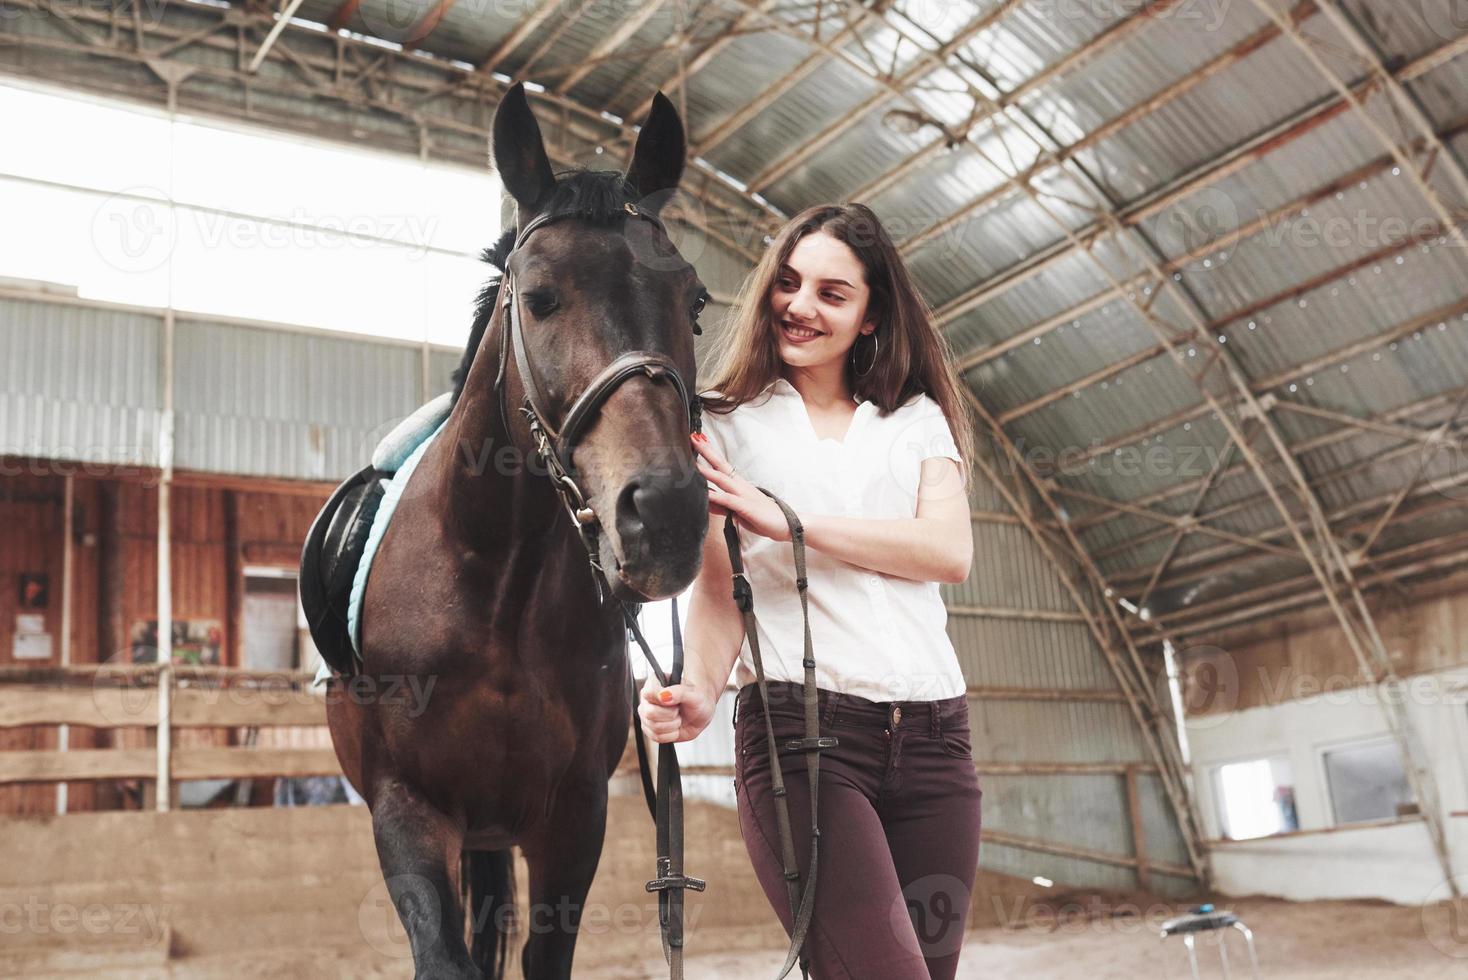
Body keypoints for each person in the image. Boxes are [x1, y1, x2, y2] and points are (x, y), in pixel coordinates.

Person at [638, 203, 982, 980]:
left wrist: (786, 520)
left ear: (870, 317)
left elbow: (947, 552)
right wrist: (696, 688)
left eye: (832, 293)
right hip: (799, 737)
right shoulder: (722, 427)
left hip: (937, 744)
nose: (800, 305)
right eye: (788, 284)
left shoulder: (917, 421)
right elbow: (722, 594)